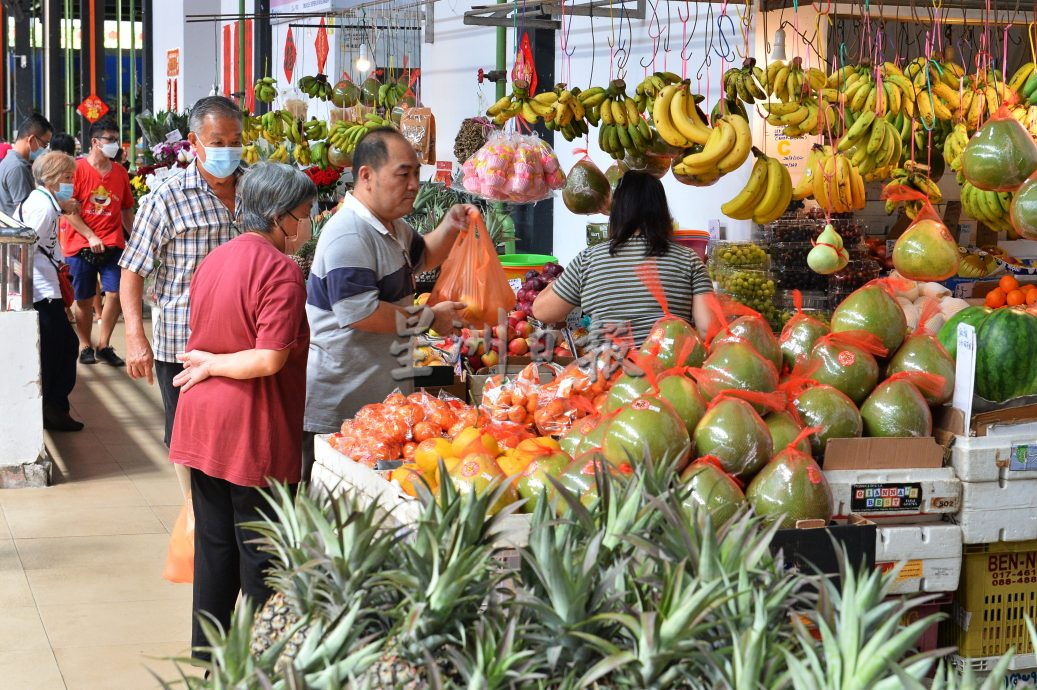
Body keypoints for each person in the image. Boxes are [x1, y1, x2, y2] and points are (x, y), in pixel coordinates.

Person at [168, 163, 314, 660]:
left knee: (215, 548)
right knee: (261, 556)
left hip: (202, 425)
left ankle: (209, 659)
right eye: (304, 214)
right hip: (252, 430)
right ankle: (258, 663)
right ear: (280, 217)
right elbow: (269, 357)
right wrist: (216, 365)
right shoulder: (281, 270)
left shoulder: (216, 258)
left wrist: (211, 364)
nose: (307, 224)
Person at [302, 128, 468, 480]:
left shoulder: (392, 227)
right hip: (342, 405)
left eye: (416, 175)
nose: (413, 185)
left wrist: (452, 225)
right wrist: (429, 318)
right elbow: (361, 313)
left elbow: (425, 256)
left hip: (376, 402)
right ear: (367, 176)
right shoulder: (349, 234)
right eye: (402, 174)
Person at [119, 95, 244, 497]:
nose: (228, 150)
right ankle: (194, 516)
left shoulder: (257, 188)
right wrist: (136, 337)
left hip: (242, 345)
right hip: (183, 343)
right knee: (186, 440)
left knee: (236, 435)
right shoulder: (168, 196)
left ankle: (225, 517)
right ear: (194, 141)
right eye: (218, 141)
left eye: (235, 140)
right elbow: (133, 269)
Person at [533, 171, 714, 347]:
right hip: (669, 374)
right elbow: (708, 329)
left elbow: (541, 311)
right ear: (662, 213)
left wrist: (556, 283)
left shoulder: (588, 260)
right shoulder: (690, 260)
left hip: (609, 372)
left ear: (617, 213)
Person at [62, 119, 135, 366]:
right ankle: (85, 345)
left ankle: (103, 344)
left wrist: (135, 237)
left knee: (116, 293)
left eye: (116, 139)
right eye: (110, 139)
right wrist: (90, 236)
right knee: (82, 299)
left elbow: (126, 208)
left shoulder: (120, 172)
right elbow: (68, 210)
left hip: (113, 243)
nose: (115, 144)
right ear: (94, 142)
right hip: (80, 244)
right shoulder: (76, 170)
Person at [21, 152, 83, 431]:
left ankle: (52, 406)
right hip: (41, 290)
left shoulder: (44, 201)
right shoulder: (43, 209)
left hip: (44, 287)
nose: (70, 183)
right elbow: (25, 250)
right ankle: (53, 407)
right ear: (52, 179)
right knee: (62, 347)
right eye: (67, 178)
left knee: (59, 347)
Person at [0, 113, 54, 215]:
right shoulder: (17, 167)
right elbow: (27, 212)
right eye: (45, 144)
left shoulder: (11, 161)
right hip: (18, 229)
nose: (45, 149)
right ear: (31, 139)